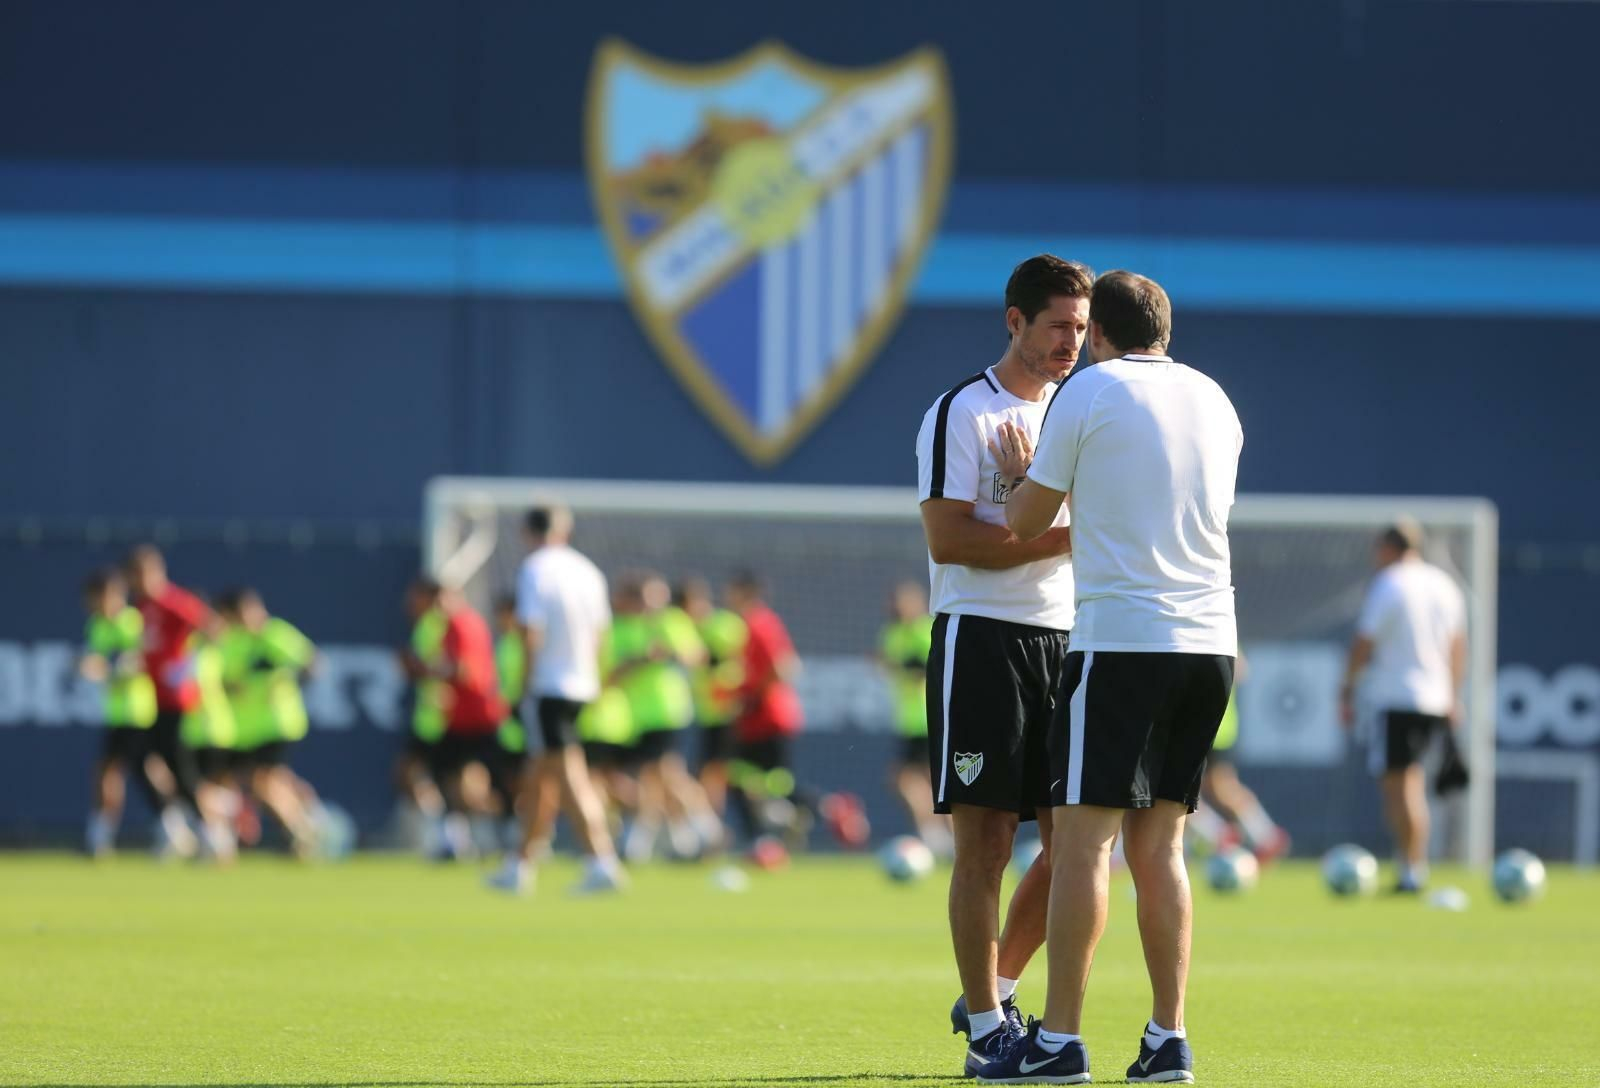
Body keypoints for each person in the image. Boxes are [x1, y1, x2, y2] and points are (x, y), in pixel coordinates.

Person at [995, 270, 1241, 1085]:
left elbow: (1026, 519)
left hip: (1122, 641)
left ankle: (1059, 1042)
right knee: (1162, 846)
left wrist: (1017, 470)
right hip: (1209, 641)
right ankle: (1168, 1037)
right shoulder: (1215, 397)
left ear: (1097, 329)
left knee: (1082, 846)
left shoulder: (1089, 392)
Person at [914, 254, 1088, 1075]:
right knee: (983, 847)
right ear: (1014, 321)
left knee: (1080, 846)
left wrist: (1027, 523)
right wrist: (1057, 533)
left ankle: (999, 984)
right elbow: (952, 540)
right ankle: (987, 1031)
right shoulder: (961, 412)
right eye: (1058, 326)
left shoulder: (1083, 409)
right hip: (981, 641)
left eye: (1083, 329)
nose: (1071, 344)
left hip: (1072, 642)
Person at [488, 506, 625, 895]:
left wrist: (525, 686)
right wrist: (593, 679)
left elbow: (532, 632)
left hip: (549, 687)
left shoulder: (536, 569)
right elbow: (600, 634)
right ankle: (520, 865)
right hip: (581, 685)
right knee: (541, 776)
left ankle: (602, 861)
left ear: (527, 531)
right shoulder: (588, 571)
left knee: (568, 776)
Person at [1339, 521, 1466, 894]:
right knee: (1411, 784)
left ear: (1389, 548)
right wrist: (1453, 696)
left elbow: (1364, 641)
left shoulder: (1391, 583)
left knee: (1402, 786)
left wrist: (1346, 687)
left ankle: (1412, 870)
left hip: (1398, 697)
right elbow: (1459, 647)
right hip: (1435, 698)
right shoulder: (1445, 585)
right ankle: (1412, 866)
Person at [125, 545, 233, 857]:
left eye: (145, 573)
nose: (141, 581)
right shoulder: (142, 608)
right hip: (153, 699)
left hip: (176, 700)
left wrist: (188, 662)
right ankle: (177, 826)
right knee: (143, 760)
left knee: (176, 766)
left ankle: (212, 832)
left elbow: (214, 628)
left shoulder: (174, 601)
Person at [609, 572, 720, 861]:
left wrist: (668, 653)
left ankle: (699, 832)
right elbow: (613, 675)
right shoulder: (623, 628)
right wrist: (641, 659)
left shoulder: (671, 622)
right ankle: (683, 838)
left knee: (664, 771)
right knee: (655, 777)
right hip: (635, 718)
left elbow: (697, 657)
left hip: (669, 710)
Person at [216, 588, 322, 856]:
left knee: (263, 781)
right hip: (243, 730)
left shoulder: (273, 635)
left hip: (276, 723)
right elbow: (224, 680)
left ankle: (300, 832)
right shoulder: (231, 641)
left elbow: (311, 662)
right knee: (260, 781)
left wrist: (284, 683)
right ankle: (312, 818)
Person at [79, 568, 170, 857]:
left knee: (118, 770)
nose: (97, 604)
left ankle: (171, 826)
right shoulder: (97, 626)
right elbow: (95, 660)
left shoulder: (132, 622)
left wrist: (108, 669)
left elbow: (140, 660)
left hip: (138, 711)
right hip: (117, 712)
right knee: (129, 770)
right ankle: (170, 827)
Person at [418, 581, 506, 860]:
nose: (438, 605)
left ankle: (505, 827)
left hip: (471, 715)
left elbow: (462, 670)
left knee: (460, 781)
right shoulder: (472, 623)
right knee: (454, 778)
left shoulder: (458, 625)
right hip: (466, 714)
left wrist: (428, 672)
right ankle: (460, 838)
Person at [723, 571, 806, 844]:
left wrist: (754, 698)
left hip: (769, 717)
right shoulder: (745, 624)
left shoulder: (760, 623)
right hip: (754, 719)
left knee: (773, 784)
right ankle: (771, 834)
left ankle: (821, 811)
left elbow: (783, 667)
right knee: (746, 781)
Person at [876, 581, 951, 857]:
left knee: (916, 779)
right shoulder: (891, 634)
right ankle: (939, 836)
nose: (897, 608)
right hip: (908, 720)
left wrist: (895, 666)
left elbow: (926, 667)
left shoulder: (924, 630)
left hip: (928, 716)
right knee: (913, 781)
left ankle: (939, 837)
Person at [677, 577, 747, 826]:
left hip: (728, 710)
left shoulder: (724, 624)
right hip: (709, 712)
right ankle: (711, 826)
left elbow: (732, 660)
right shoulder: (689, 629)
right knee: (711, 772)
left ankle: (712, 827)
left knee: (716, 772)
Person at [396, 580, 448, 853]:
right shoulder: (426, 626)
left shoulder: (441, 626)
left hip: (442, 716)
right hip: (429, 716)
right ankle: (442, 835)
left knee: (447, 780)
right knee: (411, 774)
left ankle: (446, 837)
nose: (409, 602)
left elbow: (451, 668)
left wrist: (415, 667)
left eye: (414, 595)